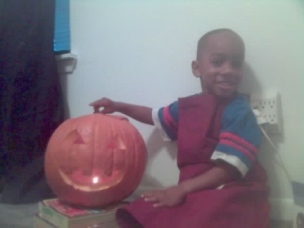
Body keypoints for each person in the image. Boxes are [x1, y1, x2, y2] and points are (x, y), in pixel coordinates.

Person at [89, 28, 270, 228]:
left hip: (233, 188)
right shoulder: (188, 107)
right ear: (197, 68)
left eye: (236, 64)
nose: (228, 70)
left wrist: (182, 190)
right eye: (218, 62)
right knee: (144, 209)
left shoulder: (239, 111)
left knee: (207, 214)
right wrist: (118, 106)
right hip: (194, 189)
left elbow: (229, 169)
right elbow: (154, 116)